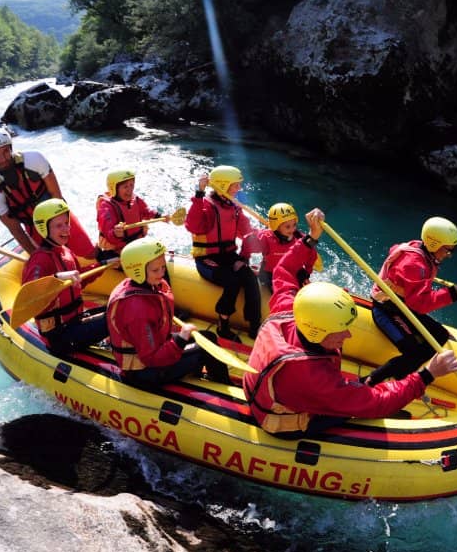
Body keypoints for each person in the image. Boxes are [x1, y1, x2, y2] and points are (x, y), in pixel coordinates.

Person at [242, 208, 457, 440]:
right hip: (282, 422)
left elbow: (285, 271)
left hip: (266, 389)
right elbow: (376, 401)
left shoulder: (287, 312)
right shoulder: (316, 378)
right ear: (316, 331)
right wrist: (427, 375)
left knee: (350, 393)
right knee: (356, 406)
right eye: (339, 330)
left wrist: (311, 237)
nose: (347, 335)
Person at [363, 216, 457, 386]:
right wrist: (454, 293)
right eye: (447, 250)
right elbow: (420, 305)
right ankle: (370, 382)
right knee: (414, 353)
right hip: (387, 310)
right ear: (434, 244)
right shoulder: (415, 265)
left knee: (440, 334)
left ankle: (400, 378)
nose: (448, 255)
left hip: (402, 306)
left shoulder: (418, 248)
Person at [107, 237, 230, 387]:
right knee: (204, 351)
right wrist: (181, 339)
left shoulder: (149, 285)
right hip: (143, 372)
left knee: (208, 337)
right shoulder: (137, 309)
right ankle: (226, 389)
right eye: (155, 270)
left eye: (163, 267)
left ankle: (197, 374)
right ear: (137, 270)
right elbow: (151, 358)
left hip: (155, 348)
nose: (161, 273)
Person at [0, 125, 92, 257]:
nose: (3, 158)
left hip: (59, 216)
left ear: (11, 149)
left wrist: (60, 227)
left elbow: (57, 197)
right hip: (35, 228)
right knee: (53, 264)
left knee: (90, 253)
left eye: (6, 151)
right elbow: (16, 230)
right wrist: (35, 256)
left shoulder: (34, 160)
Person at [21, 199, 108, 355]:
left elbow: (80, 279)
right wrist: (57, 277)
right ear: (44, 228)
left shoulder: (66, 252)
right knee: (117, 317)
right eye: (58, 225)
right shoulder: (39, 260)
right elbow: (30, 297)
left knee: (118, 307)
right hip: (58, 336)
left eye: (67, 223)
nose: (66, 229)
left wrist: (103, 264)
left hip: (74, 322)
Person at [186, 165, 261, 341]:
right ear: (223, 186)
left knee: (249, 277)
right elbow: (193, 225)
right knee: (232, 281)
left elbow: (246, 231)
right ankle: (223, 325)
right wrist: (199, 194)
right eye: (236, 185)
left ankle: (254, 324)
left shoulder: (234, 207)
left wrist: (267, 234)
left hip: (228, 255)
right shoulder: (207, 206)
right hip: (207, 258)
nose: (239, 189)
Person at [247, 202, 319, 292]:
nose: (292, 229)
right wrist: (244, 259)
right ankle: (258, 273)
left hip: (293, 272)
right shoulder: (266, 238)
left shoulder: (300, 238)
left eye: (294, 225)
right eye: (287, 227)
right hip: (272, 274)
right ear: (276, 227)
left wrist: (307, 273)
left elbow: (311, 256)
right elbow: (248, 245)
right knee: (282, 291)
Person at [95, 169, 162, 262]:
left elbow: (145, 211)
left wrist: (159, 216)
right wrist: (115, 233)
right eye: (125, 186)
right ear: (114, 188)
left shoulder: (134, 199)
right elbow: (109, 232)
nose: (130, 189)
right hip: (115, 251)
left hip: (134, 245)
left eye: (131, 185)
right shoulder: (106, 207)